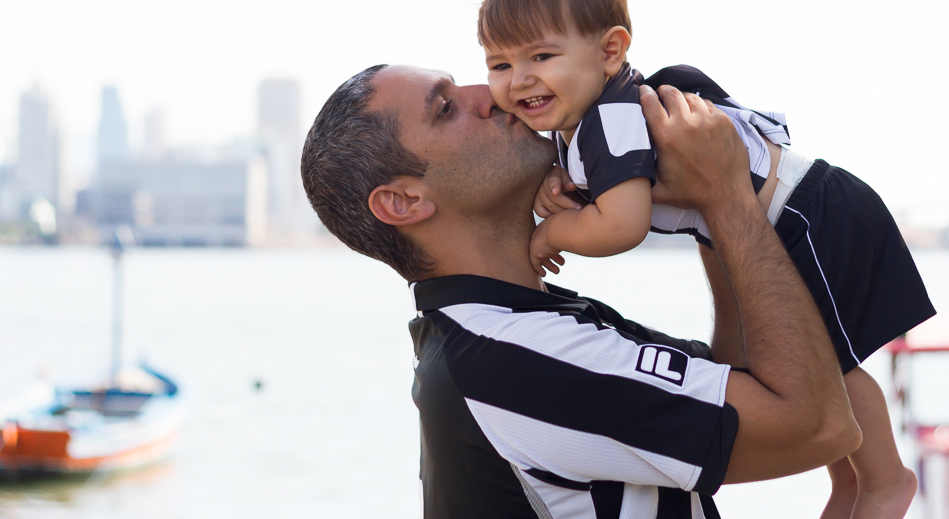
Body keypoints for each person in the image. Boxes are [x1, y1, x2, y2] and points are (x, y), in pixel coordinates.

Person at [477, 0, 934, 519]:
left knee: (832, 362)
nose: (519, 80)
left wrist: (552, 235)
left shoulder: (609, 119)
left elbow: (622, 225)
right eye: (498, 64)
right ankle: (850, 486)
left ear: (611, 50)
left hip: (808, 213)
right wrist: (558, 183)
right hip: (787, 217)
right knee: (815, 359)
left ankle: (887, 481)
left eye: (541, 55)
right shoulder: (590, 120)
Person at [301, 63, 861, 519]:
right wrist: (729, 195)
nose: (493, 92)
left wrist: (703, 207)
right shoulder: (512, 362)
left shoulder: (499, 337)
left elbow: (741, 387)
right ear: (403, 201)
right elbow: (817, 426)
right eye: (446, 108)